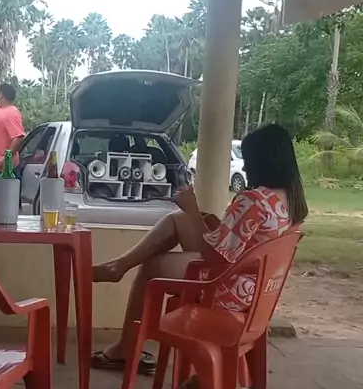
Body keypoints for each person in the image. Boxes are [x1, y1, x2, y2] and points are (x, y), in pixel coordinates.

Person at [92, 123, 308, 375]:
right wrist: (200, 219)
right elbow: (244, 243)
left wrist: (192, 208)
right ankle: (118, 266)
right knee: (177, 220)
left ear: (263, 162)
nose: (245, 167)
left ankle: (125, 347)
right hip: (255, 291)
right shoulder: (289, 202)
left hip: (225, 287)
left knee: (151, 267)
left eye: (248, 160)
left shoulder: (254, 200)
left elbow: (212, 255)